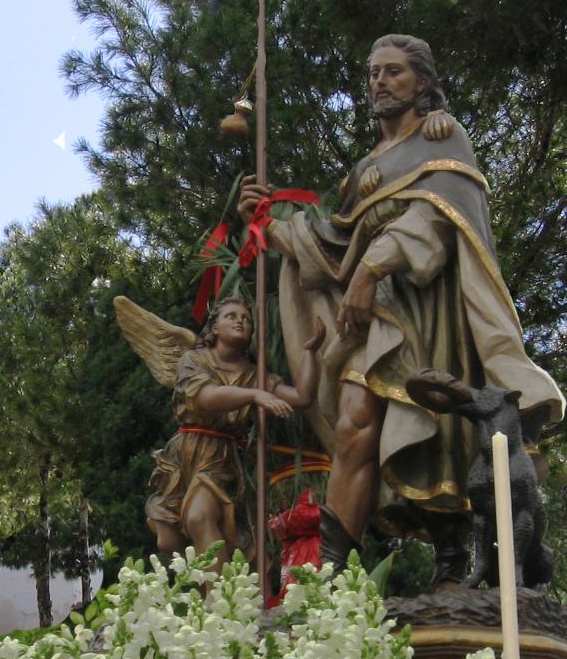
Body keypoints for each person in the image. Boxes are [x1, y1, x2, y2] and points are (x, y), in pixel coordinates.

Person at [239, 34, 564, 585]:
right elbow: (339, 241)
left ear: (422, 82)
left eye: (393, 72)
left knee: (437, 428)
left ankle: (452, 561)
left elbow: (438, 221)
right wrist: (270, 225)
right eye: (373, 74)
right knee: (354, 425)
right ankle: (329, 578)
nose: (380, 83)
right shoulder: (367, 164)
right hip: (375, 316)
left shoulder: (445, 136)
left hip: (431, 304)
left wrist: (372, 269)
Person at [146, 297, 324, 575]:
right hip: (183, 454)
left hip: (219, 456)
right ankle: (207, 590)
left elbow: (301, 397)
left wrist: (311, 352)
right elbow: (205, 397)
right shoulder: (193, 359)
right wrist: (256, 395)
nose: (240, 320)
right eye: (231, 316)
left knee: (199, 516)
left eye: (246, 318)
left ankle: (218, 599)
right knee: (168, 541)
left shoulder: (256, 375)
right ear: (214, 327)